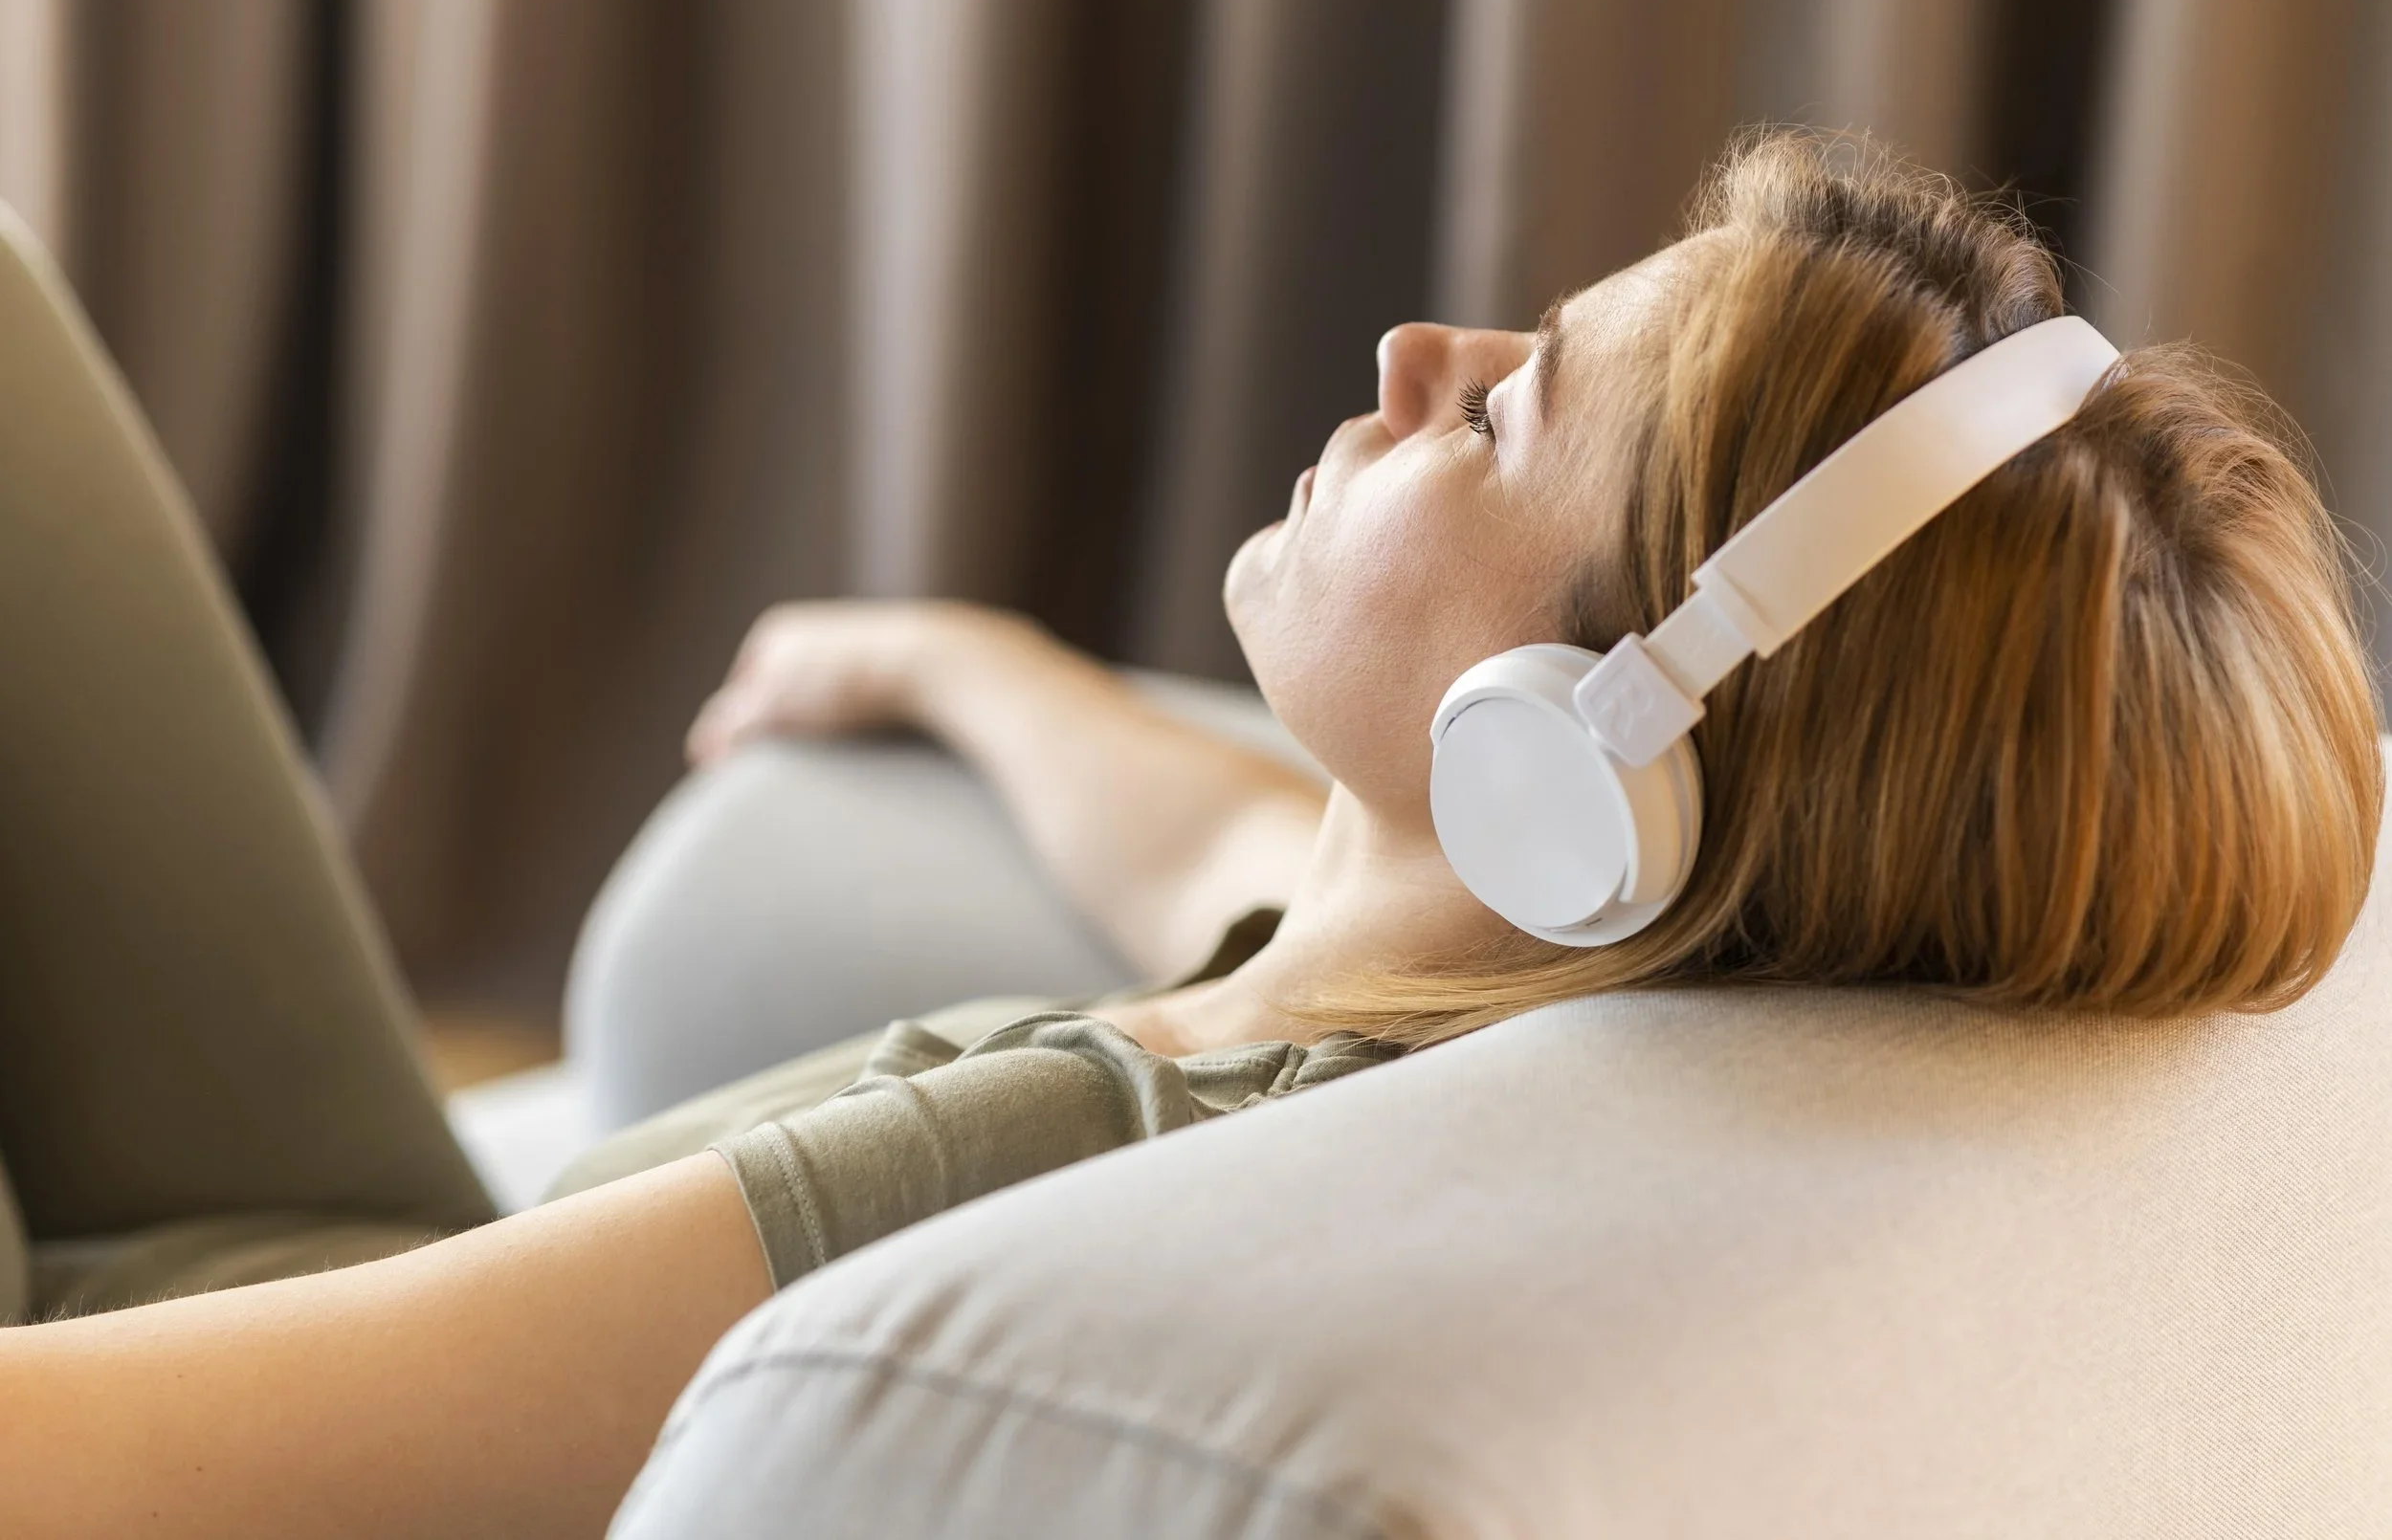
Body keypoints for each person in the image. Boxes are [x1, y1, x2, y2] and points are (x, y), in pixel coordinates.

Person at [0, 129, 2378, 1537]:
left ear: (1571, 758)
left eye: (1500, 416)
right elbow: (1200, 849)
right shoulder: (1440, 999)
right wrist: (953, 663)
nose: (1407, 364)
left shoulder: (1044, 1166)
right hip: (332, 1255)